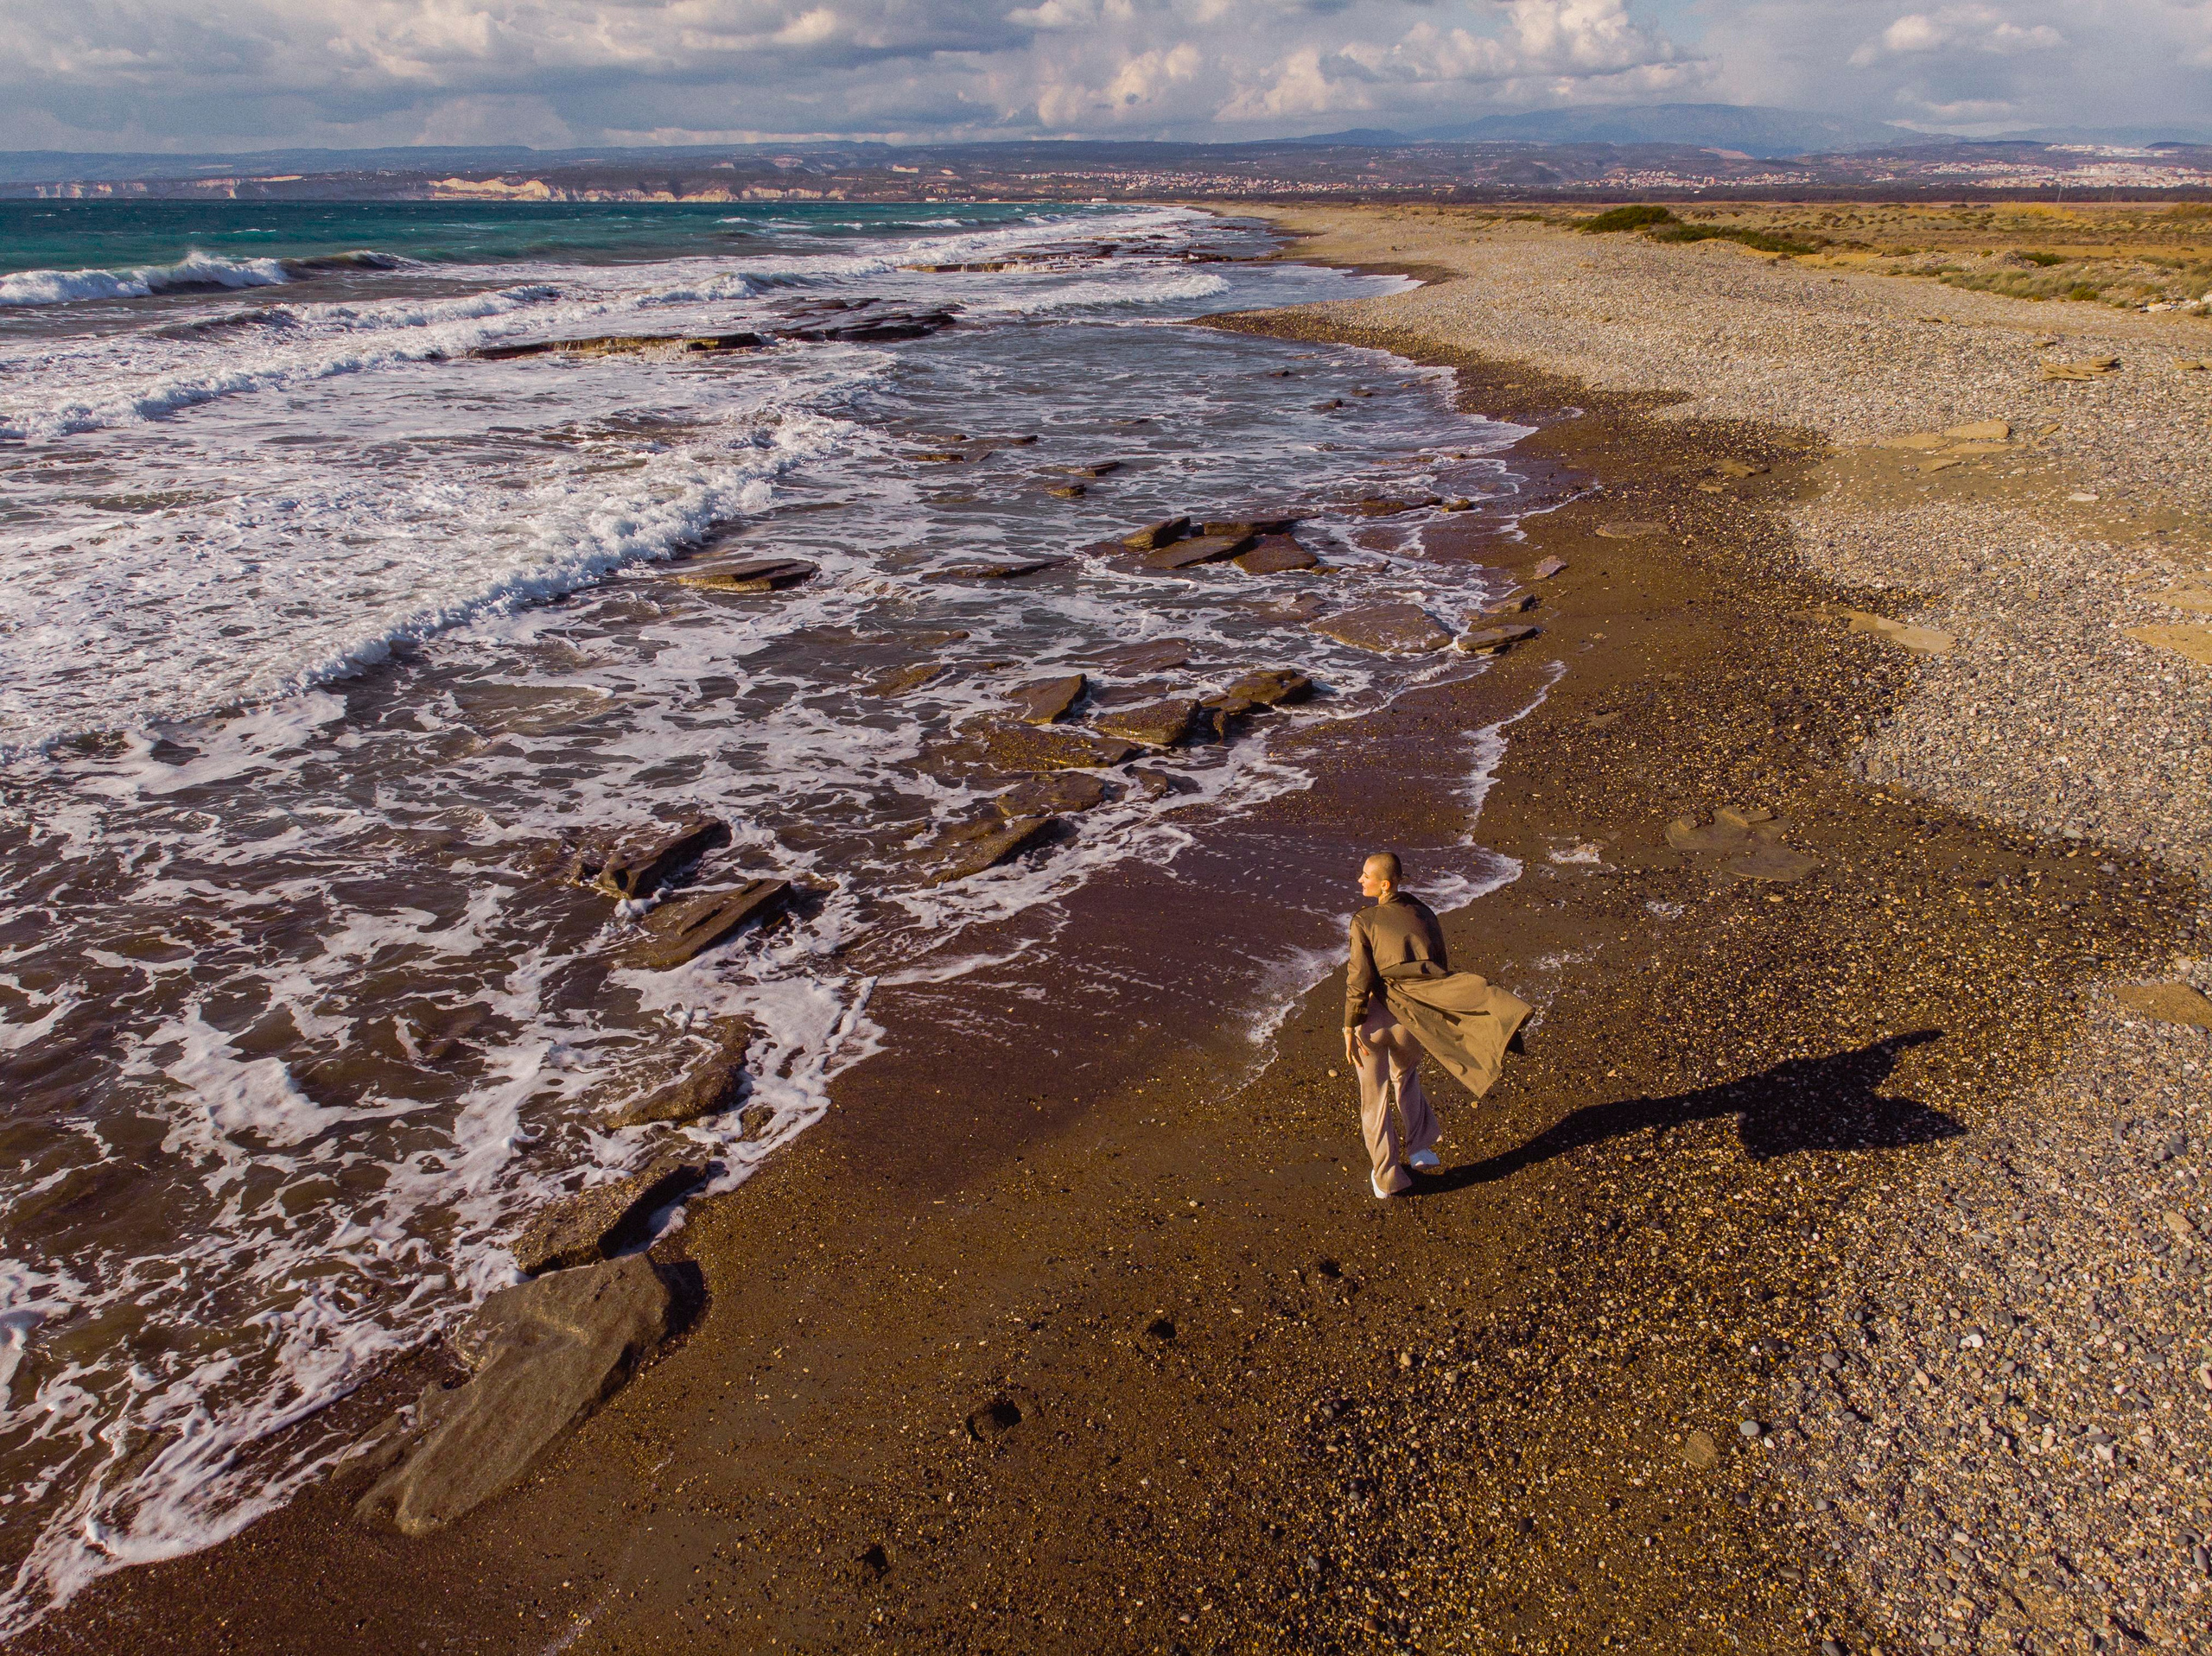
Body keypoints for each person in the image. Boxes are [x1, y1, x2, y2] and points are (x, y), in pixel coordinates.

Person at [1344, 852, 1532, 1199]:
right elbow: (1439, 966)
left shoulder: (1364, 920)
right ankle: (1420, 1149)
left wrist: (1349, 1026)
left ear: (1384, 884)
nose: (1360, 879)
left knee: (1375, 1099)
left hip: (1375, 1019)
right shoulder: (1424, 913)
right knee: (1406, 1076)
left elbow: (1360, 978)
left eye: (1365, 875)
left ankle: (1387, 1178)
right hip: (1413, 1020)